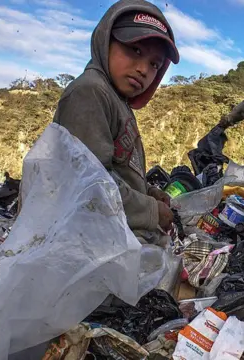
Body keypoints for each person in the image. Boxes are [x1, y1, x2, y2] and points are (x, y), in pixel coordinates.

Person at [53, 0, 180, 244]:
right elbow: (91, 186)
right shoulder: (90, 93)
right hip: (85, 241)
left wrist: (149, 193)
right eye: (135, 50)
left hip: (114, 232)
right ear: (105, 41)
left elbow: (116, 171)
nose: (143, 69)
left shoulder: (118, 101)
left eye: (154, 63)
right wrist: (151, 211)